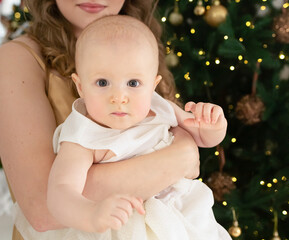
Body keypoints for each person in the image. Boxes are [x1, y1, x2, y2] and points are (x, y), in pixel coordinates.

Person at [0, 1, 201, 240]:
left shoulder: (139, 44)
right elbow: (43, 208)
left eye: (133, 83)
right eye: (102, 83)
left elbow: (183, 156)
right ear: (79, 84)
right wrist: (181, 157)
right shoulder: (16, 58)